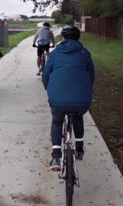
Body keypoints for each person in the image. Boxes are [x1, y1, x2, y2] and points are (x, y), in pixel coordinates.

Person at [41, 25, 95, 171]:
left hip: (57, 100)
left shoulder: (55, 53)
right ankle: (79, 149)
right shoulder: (85, 53)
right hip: (81, 100)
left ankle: (56, 156)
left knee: (57, 122)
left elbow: (45, 75)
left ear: (63, 38)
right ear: (78, 37)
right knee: (78, 118)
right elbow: (91, 76)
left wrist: (47, 87)